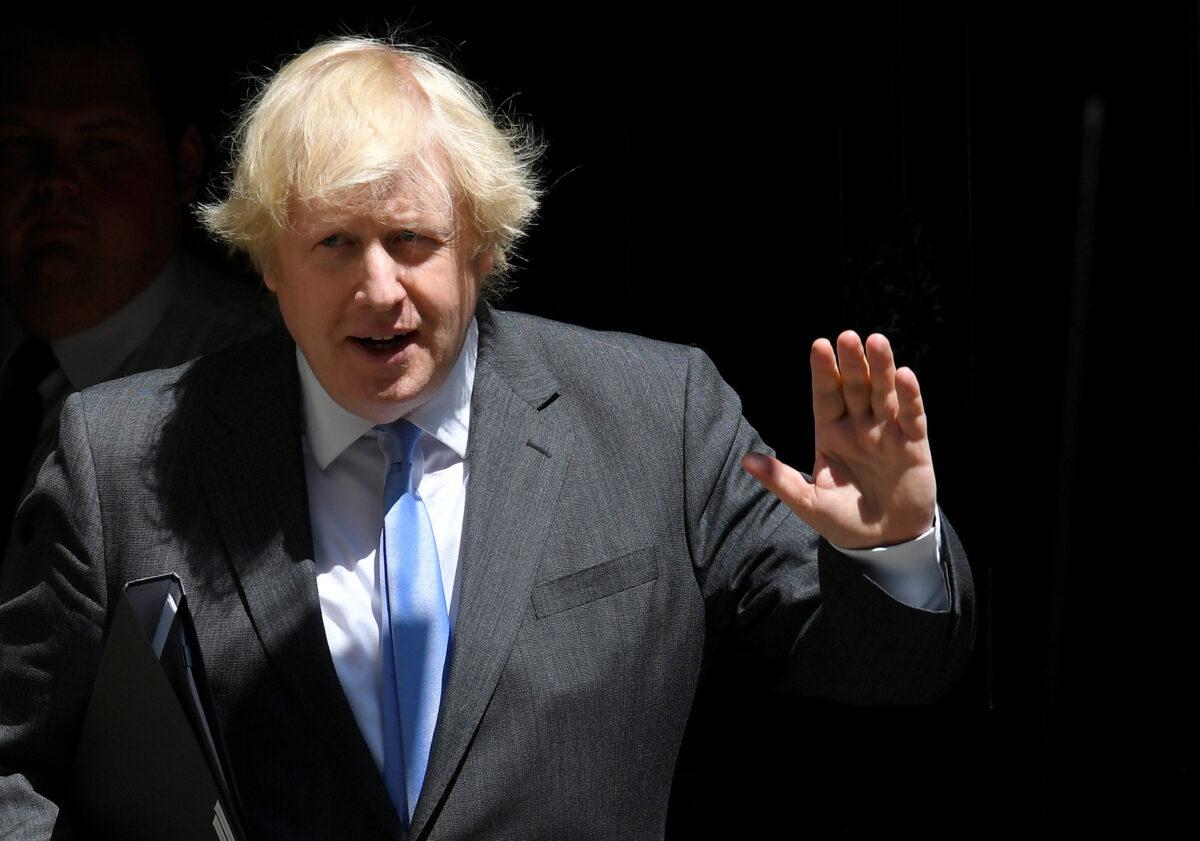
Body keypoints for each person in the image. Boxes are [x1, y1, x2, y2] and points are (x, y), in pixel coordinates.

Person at [0, 36, 974, 840]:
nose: (378, 289)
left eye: (411, 241)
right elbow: (17, 768)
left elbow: (878, 668)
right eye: (334, 243)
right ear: (269, 263)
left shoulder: (654, 418)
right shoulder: (115, 457)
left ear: (483, 246)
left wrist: (889, 544)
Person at [0, 26, 271, 554]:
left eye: (101, 144)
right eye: (18, 145)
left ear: (184, 163)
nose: (54, 179)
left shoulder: (251, 382)